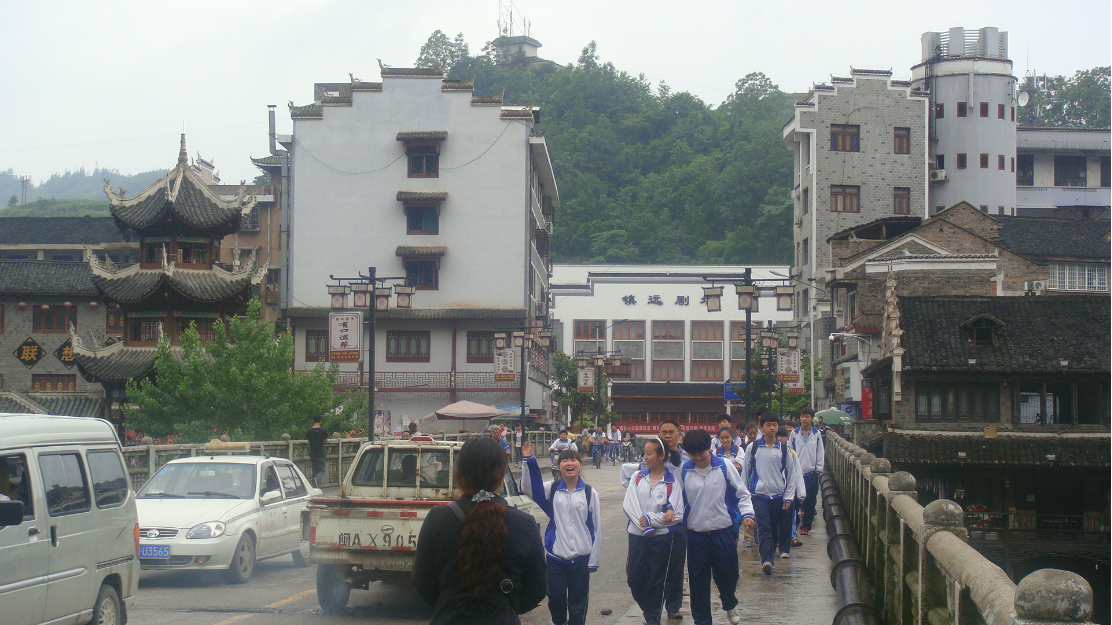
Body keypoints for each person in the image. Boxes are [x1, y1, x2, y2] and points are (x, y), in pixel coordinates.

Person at [413, 438, 547, 624]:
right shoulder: (524, 523)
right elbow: (537, 587)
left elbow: (423, 583)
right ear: (501, 476)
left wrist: (453, 604)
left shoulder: (438, 519)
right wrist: (505, 606)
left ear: (459, 475)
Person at [520, 441, 602, 625]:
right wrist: (528, 461)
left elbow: (596, 527)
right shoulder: (553, 489)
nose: (569, 463)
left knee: (578, 603)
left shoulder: (589, 493)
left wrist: (593, 560)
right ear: (559, 467)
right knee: (555, 598)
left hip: (581, 558)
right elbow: (529, 488)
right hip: (556, 558)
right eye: (565, 461)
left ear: (580, 464)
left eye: (573, 459)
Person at [678, 429, 754, 625]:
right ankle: (702, 620)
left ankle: (729, 602)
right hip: (696, 534)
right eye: (693, 455)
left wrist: (747, 515)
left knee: (728, 573)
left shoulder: (724, 466)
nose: (698, 458)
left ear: (709, 449)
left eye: (701, 454)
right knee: (698, 579)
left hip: (724, 530)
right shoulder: (685, 470)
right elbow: (676, 500)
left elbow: (742, 494)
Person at [622, 437, 684, 625]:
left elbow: (677, 514)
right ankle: (649, 608)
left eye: (649, 453)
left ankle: (652, 617)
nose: (645, 457)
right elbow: (629, 504)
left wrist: (652, 520)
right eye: (645, 453)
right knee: (634, 577)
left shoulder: (672, 482)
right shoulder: (638, 477)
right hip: (637, 535)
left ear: (661, 456)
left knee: (657, 577)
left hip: (662, 538)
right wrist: (645, 525)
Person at [742, 413, 799, 575]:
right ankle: (766, 560)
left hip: (778, 496)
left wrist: (788, 497)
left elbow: (791, 475)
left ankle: (770, 559)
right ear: (761, 427)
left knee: (774, 529)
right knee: (764, 528)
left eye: (774, 424)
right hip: (759, 496)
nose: (772, 428)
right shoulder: (753, 449)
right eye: (768, 425)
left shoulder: (784, 450)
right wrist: (745, 498)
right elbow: (745, 474)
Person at [789, 407, 824, 536]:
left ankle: (806, 526)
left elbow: (820, 452)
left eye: (807, 416)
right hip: (797, 473)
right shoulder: (794, 434)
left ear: (812, 418)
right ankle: (796, 522)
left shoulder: (816, 434)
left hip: (811, 473)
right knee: (795, 501)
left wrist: (819, 469)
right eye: (803, 416)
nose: (804, 419)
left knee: (810, 500)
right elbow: (790, 450)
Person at [777, 426, 806, 549]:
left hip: (790, 490)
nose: (780, 439)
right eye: (778, 436)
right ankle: (779, 538)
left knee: (792, 515)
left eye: (782, 436)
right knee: (778, 516)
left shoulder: (791, 454)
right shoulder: (770, 452)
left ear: (787, 438)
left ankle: (792, 536)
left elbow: (797, 473)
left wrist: (801, 493)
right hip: (776, 490)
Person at [305, 416, 328, 488]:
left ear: (313, 421)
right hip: (320, 453)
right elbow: (326, 441)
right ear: (320, 421)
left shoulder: (309, 431)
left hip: (312, 453)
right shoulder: (323, 431)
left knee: (314, 470)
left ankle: (316, 486)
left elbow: (308, 442)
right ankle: (316, 480)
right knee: (322, 470)